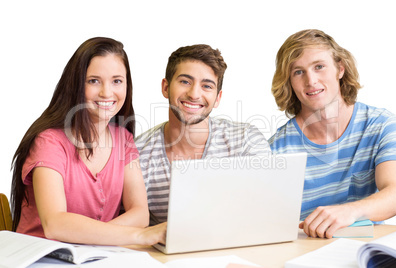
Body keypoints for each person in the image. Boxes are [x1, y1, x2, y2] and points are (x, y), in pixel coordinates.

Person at [10, 37, 166, 245]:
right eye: (94, 81)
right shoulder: (49, 142)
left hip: (95, 258)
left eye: (117, 81)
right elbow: (55, 224)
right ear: (76, 84)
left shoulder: (124, 139)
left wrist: (92, 241)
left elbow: (140, 214)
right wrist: (137, 236)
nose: (106, 92)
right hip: (41, 259)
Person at [269, 29, 396, 238]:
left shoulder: (380, 124)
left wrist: (349, 211)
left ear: (340, 68)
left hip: (365, 252)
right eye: (298, 72)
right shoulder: (276, 150)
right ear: (289, 82)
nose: (311, 81)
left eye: (319, 67)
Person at [135, 44, 270, 225]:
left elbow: (267, 210)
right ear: (165, 87)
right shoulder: (137, 153)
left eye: (207, 86)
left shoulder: (246, 140)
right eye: (185, 82)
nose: (194, 94)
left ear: (218, 98)